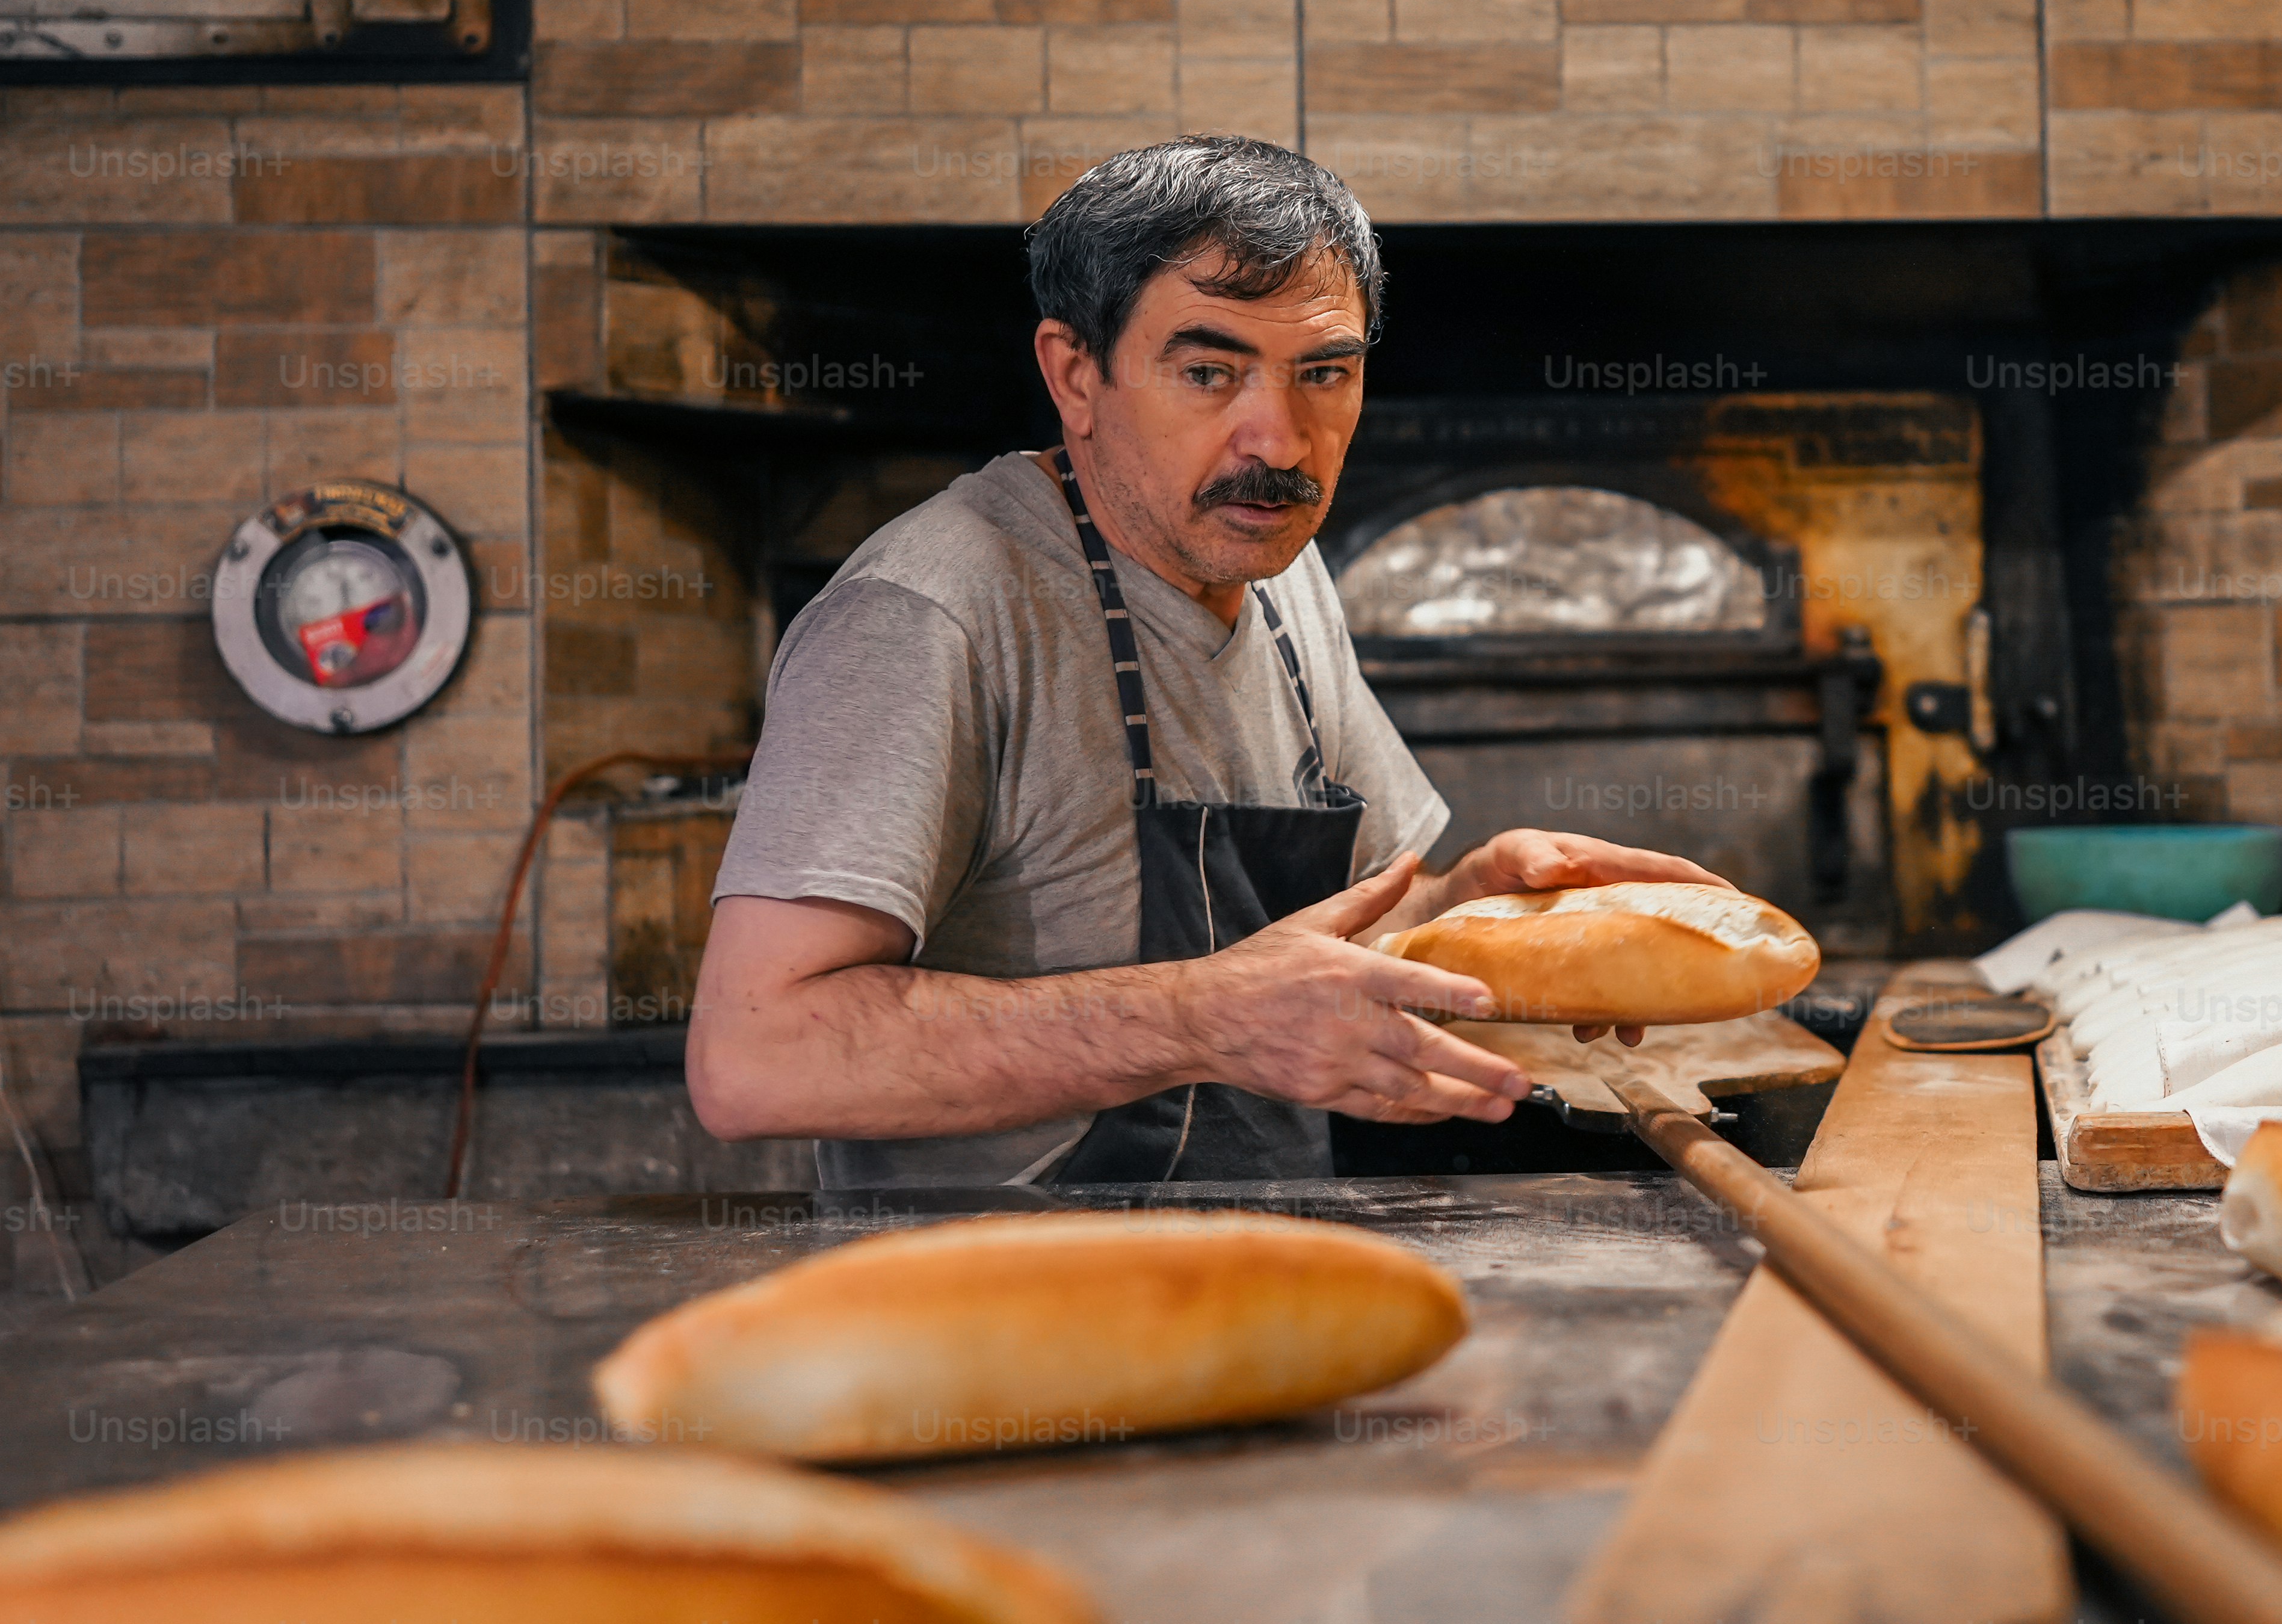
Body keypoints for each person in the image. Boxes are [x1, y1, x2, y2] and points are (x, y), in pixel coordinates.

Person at [686, 134, 1715, 1187]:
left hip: (1255, 1266)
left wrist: (1472, 907)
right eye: (1209, 372)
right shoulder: (927, 614)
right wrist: (1197, 1018)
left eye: (1324, 373)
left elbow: (1332, 946)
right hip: (1002, 1304)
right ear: (1076, 375)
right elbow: (756, 1057)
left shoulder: (1280, 572)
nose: (1277, 440)